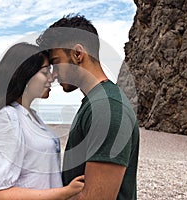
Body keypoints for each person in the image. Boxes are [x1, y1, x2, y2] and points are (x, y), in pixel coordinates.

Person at [0, 42, 84, 200]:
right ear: (25, 74)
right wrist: (66, 192)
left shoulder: (31, 116)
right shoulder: (6, 119)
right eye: (45, 71)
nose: (52, 77)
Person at [37, 14, 140, 200]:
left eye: (55, 62)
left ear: (77, 54)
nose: (53, 74)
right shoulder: (95, 103)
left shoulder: (108, 107)